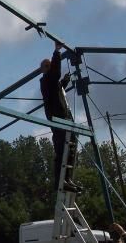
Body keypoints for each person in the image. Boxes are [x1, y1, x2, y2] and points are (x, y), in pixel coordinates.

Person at [40, 40, 80, 193]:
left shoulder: (51, 83)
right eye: (48, 66)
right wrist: (57, 51)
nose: (51, 69)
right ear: (44, 69)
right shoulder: (45, 80)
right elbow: (55, 74)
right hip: (58, 118)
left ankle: (67, 178)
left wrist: (65, 81)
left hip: (63, 116)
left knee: (71, 147)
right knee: (61, 149)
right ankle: (60, 181)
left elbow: (57, 89)